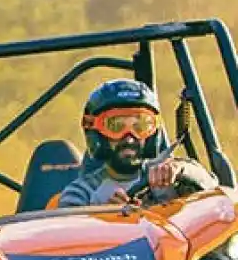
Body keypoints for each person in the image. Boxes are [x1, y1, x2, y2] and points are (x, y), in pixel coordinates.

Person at [58, 80, 216, 207]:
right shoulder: (81, 192)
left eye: (140, 126)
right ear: (98, 135)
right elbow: (70, 230)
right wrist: (104, 215)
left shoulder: (168, 174)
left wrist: (181, 169)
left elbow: (215, 189)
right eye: (116, 127)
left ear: (152, 133)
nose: (129, 138)